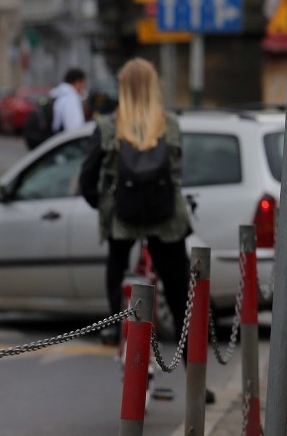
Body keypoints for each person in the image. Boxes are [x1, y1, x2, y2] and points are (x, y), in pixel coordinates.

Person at [78, 57, 214, 402]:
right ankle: (197, 384)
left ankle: (112, 324)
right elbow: (177, 170)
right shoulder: (170, 124)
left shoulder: (107, 126)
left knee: (117, 264)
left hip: (123, 218)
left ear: (123, 89)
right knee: (181, 296)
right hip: (166, 218)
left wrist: (105, 206)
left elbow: (86, 181)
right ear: (154, 88)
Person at [50, 67, 87, 133]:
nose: (83, 87)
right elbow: (75, 129)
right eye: (83, 83)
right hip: (66, 141)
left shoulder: (61, 94)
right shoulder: (71, 99)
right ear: (77, 82)